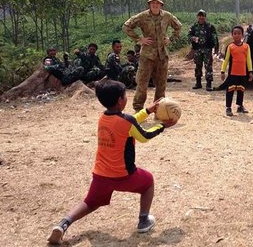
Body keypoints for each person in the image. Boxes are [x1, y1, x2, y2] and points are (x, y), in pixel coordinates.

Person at [47, 79, 177, 244]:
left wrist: (147, 111)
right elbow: (144, 136)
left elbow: (130, 122)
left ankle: (63, 224)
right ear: (120, 100)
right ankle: (144, 221)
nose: (126, 97)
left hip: (100, 175)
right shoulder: (126, 121)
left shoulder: (103, 118)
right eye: (124, 95)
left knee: (90, 202)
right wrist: (162, 126)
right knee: (148, 182)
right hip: (122, 176)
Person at [123, 0, 182, 112]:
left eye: (157, 3)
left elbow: (178, 27)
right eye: (153, 3)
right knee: (142, 84)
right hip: (147, 56)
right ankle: (138, 109)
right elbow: (126, 26)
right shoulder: (142, 16)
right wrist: (139, 39)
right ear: (149, 4)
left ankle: (158, 110)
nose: (155, 5)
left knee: (161, 85)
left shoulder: (167, 16)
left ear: (161, 5)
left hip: (162, 56)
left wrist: (171, 39)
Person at [221, 26, 253, 116]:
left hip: (243, 73)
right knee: (230, 90)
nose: (237, 35)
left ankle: (240, 106)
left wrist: (250, 71)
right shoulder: (230, 47)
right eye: (235, 33)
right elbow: (226, 60)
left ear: (242, 35)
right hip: (233, 73)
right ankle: (228, 108)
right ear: (232, 35)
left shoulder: (246, 46)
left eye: (239, 33)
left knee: (241, 90)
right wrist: (222, 71)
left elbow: (249, 60)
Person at [188, 9, 219, 90]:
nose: (201, 17)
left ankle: (208, 84)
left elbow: (215, 37)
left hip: (207, 49)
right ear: (197, 17)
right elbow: (188, 36)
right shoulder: (194, 27)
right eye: (200, 16)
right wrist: (193, 38)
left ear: (205, 17)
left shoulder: (210, 27)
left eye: (203, 16)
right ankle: (198, 83)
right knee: (198, 66)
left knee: (208, 66)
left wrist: (216, 48)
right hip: (197, 49)